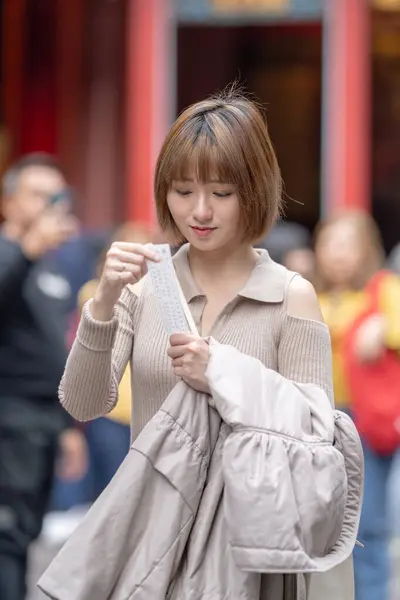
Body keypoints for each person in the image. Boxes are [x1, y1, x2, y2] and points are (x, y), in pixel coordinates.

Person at [51, 90, 351, 598]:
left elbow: (319, 436)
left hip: (248, 553)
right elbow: (84, 401)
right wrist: (103, 303)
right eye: (183, 190)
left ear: (254, 190)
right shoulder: (146, 288)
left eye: (222, 192)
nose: (201, 211)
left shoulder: (289, 296)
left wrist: (224, 372)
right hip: (151, 546)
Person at [0, 153, 87, 600]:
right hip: (8, 419)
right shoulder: (11, 253)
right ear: (9, 200)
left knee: (28, 533)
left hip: (44, 422)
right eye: (37, 194)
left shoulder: (54, 266)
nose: (49, 205)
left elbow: (58, 350)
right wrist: (28, 247)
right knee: (7, 539)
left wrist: (68, 427)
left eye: (56, 196)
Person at [315, 211, 400, 600]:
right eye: (330, 243)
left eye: (348, 244)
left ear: (367, 249)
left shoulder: (382, 292)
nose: (338, 254)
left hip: (362, 423)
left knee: (369, 526)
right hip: (314, 420)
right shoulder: (304, 294)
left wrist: (384, 326)